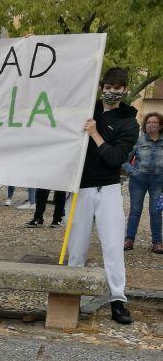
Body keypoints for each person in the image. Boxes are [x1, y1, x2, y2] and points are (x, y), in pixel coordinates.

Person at [67, 67, 139, 324]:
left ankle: (117, 300)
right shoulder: (88, 109)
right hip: (81, 188)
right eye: (107, 88)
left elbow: (116, 158)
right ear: (101, 88)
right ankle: (69, 295)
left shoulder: (129, 122)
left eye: (116, 89)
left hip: (108, 189)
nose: (111, 92)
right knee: (76, 245)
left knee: (112, 246)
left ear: (124, 90)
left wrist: (95, 134)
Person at [125, 112, 163, 253]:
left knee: (156, 211)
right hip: (138, 181)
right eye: (148, 122)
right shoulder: (139, 141)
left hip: (158, 181)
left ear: (160, 126)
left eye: (154, 122)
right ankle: (129, 239)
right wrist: (132, 172)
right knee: (135, 210)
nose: (151, 125)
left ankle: (157, 243)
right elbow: (124, 158)